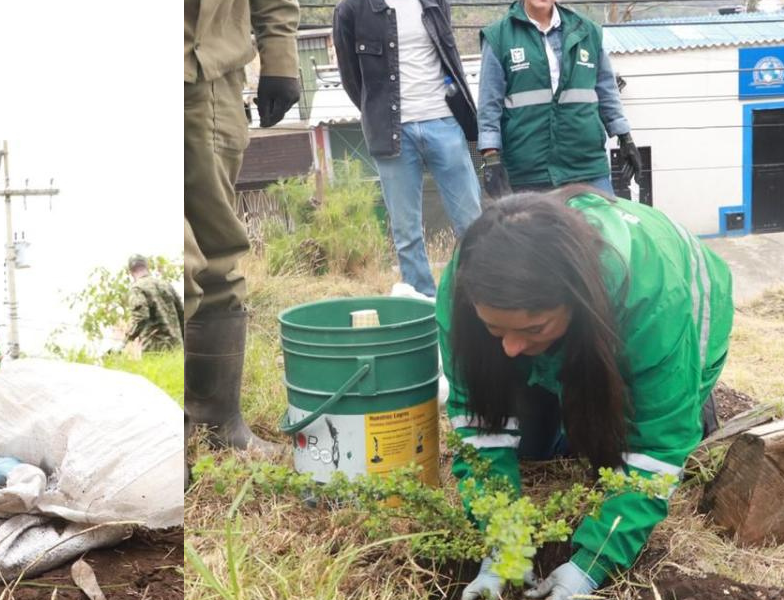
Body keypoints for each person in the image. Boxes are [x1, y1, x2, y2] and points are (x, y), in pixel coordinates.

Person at [440, 187, 731, 600]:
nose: (508, 347)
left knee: (634, 435)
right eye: (495, 328)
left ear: (577, 302)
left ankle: (687, 401)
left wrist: (592, 564)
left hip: (687, 306)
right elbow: (478, 421)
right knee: (535, 447)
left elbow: (656, 451)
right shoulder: (468, 283)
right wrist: (503, 544)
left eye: (532, 328)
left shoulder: (654, 302)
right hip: (576, 335)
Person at [184, 0, 299, 454]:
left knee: (214, 254)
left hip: (203, 76)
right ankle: (177, 445)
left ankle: (217, 427)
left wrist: (281, 58)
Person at [333, 0, 482, 298]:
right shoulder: (350, 9)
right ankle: (423, 303)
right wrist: (378, 114)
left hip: (444, 120)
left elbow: (446, 54)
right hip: (392, 132)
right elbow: (353, 80)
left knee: (473, 223)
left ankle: (480, 295)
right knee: (406, 233)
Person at [476, 0, 641, 199]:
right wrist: (491, 157)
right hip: (529, 170)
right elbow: (489, 105)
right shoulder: (498, 37)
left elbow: (606, 90)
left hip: (587, 166)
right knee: (536, 231)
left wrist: (625, 137)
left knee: (603, 228)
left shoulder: (587, 31)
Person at [125, 255, 184, 353]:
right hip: (177, 348)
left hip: (155, 349)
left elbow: (141, 317)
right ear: (147, 267)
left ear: (130, 272)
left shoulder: (137, 288)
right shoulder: (166, 285)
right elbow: (182, 314)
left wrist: (125, 341)